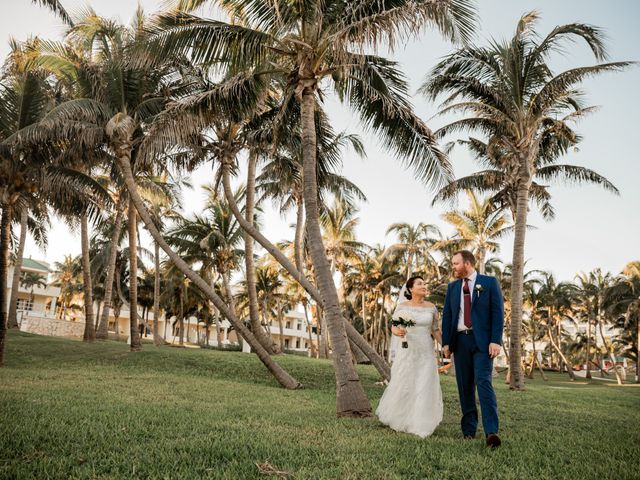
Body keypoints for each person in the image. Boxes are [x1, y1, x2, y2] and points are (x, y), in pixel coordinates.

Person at [441, 250, 504, 448]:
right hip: (460, 342)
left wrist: (495, 340)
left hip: (483, 343)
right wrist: (446, 343)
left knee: (484, 382)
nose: (453, 267)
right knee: (464, 386)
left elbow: (498, 313)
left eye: (456, 263)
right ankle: (469, 430)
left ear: (467, 263)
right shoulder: (452, 288)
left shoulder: (488, 283)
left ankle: (491, 432)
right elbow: (448, 317)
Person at [376, 276, 443, 438]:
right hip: (407, 350)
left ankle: (420, 422)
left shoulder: (432, 307)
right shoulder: (402, 307)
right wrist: (397, 332)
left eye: (424, 283)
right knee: (406, 382)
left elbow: (435, 330)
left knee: (424, 383)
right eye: (420, 283)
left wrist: (446, 346)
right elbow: (393, 327)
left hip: (426, 350)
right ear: (410, 289)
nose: (424, 286)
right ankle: (400, 417)